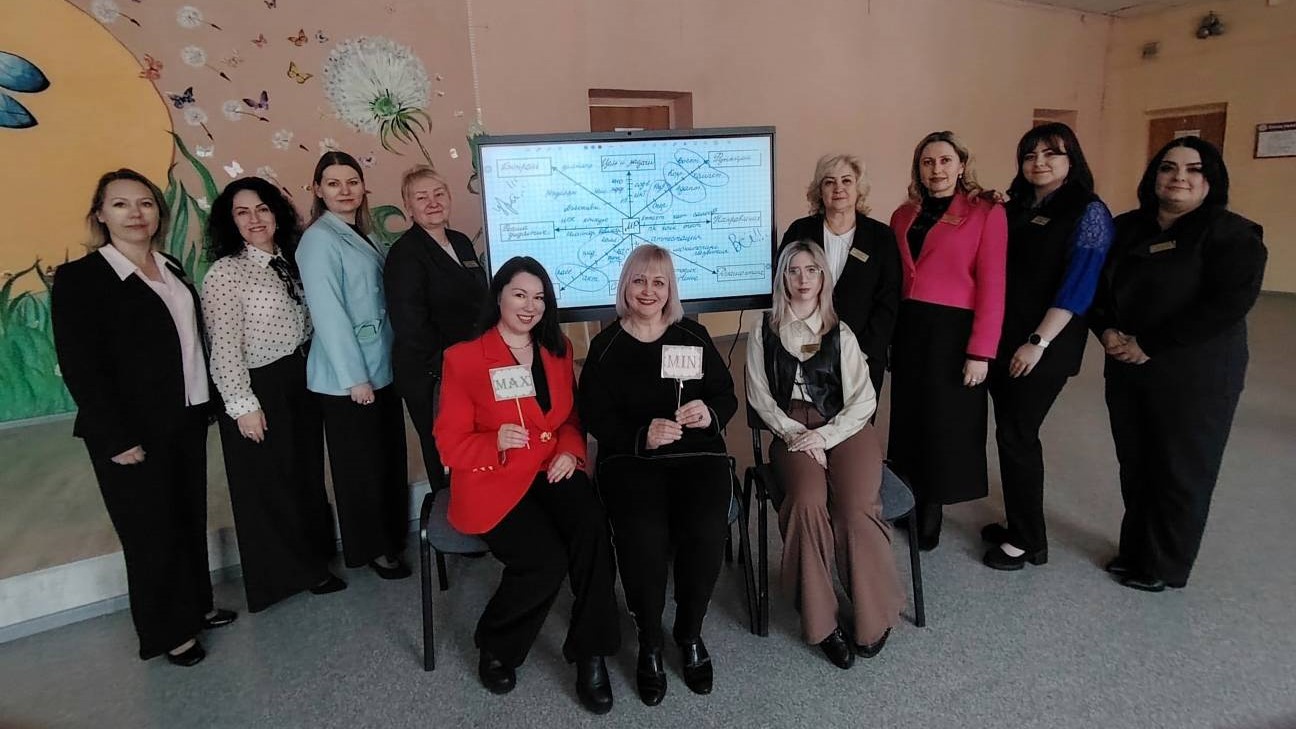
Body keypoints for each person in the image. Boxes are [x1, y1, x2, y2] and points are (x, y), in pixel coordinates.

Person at [51, 169, 237, 667]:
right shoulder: (82, 279)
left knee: (187, 517)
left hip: (186, 417)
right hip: (130, 430)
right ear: (100, 214)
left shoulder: (169, 266)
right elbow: (81, 366)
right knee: (150, 531)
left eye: (146, 203)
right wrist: (115, 436)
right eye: (121, 204)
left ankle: (196, 606)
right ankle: (168, 631)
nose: (136, 213)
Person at [434, 257, 621, 714]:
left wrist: (570, 452)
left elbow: (569, 418)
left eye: (539, 297)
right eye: (519, 294)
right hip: (494, 478)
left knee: (593, 529)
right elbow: (448, 444)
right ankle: (496, 644)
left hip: (549, 467)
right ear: (499, 295)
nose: (529, 306)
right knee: (544, 560)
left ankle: (591, 651)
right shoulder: (464, 359)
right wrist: (493, 441)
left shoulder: (557, 350)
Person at [1089, 137, 1266, 592]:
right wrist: (1105, 330)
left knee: (1182, 468)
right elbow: (1098, 288)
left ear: (1211, 180)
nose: (1179, 177)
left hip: (1194, 372)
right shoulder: (1127, 228)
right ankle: (1136, 551)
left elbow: (1227, 305)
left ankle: (1164, 566)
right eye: (1168, 167)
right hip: (1127, 364)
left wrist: (1150, 343)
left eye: (1193, 169)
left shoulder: (1232, 235)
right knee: (1137, 462)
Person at [578, 243, 738, 705]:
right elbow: (595, 416)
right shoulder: (605, 346)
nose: (648, 291)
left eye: (659, 282)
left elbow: (725, 395)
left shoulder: (693, 335)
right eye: (639, 280)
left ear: (671, 290)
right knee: (642, 536)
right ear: (625, 286)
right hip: (632, 461)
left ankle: (689, 633)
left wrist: (708, 414)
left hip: (697, 456)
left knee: (706, 529)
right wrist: (640, 436)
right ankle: (649, 640)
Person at [745, 240, 903, 670]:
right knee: (807, 502)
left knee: (855, 507)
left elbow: (863, 400)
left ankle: (873, 616)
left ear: (823, 278)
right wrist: (797, 434)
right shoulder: (762, 331)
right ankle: (821, 622)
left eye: (811, 270)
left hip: (844, 425)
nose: (803, 279)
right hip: (792, 428)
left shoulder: (841, 332)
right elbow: (760, 397)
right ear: (782, 277)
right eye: (793, 270)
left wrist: (826, 436)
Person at [201, 177, 346, 611]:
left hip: (299, 376)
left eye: (262, 209)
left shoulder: (290, 259)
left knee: (303, 474)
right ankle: (289, 574)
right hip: (257, 385)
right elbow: (224, 347)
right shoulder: (226, 273)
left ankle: (313, 557)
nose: (255, 219)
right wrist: (242, 405)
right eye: (242, 212)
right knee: (270, 483)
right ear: (230, 222)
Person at [980, 123, 1114, 570]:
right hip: (1004, 339)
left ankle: (1028, 540)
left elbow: (1079, 286)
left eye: (1051, 154)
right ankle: (1018, 521)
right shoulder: (1018, 206)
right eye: (1030, 155)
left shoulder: (1089, 212)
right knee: (1009, 432)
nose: (1039, 162)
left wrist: (1038, 342)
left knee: (1019, 435)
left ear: (1071, 159)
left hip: (1042, 345)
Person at [887, 131, 1007, 551]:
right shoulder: (903, 215)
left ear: (961, 166)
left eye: (944, 161)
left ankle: (930, 514)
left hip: (954, 332)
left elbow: (993, 285)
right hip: (910, 328)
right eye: (927, 162)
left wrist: (981, 351)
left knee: (942, 424)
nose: (936, 169)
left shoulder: (985, 213)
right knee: (909, 419)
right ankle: (906, 500)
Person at [297, 151, 409, 579]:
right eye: (333, 183)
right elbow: (328, 314)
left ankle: (390, 538)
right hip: (348, 380)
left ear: (363, 187)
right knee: (361, 468)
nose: (344, 191)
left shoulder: (362, 232)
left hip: (380, 368)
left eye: (352, 182)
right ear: (318, 190)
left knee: (385, 460)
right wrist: (355, 378)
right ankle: (373, 548)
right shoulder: (318, 240)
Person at [384, 165, 487, 490]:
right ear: (408, 207)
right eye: (421, 197)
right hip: (431, 374)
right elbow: (410, 324)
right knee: (446, 452)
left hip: (469, 366)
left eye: (438, 194)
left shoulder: (460, 242)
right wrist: (449, 367)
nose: (432, 202)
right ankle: (451, 513)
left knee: (476, 443)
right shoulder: (405, 254)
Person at [780, 154, 901, 395]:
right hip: (805, 352)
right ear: (819, 190)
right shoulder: (800, 231)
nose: (838, 189)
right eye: (829, 182)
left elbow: (889, 298)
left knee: (858, 417)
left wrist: (861, 351)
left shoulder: (881, 237)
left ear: (859, 188)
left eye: (846, 181)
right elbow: (783, 287)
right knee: (806, 414)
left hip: (862, 355)